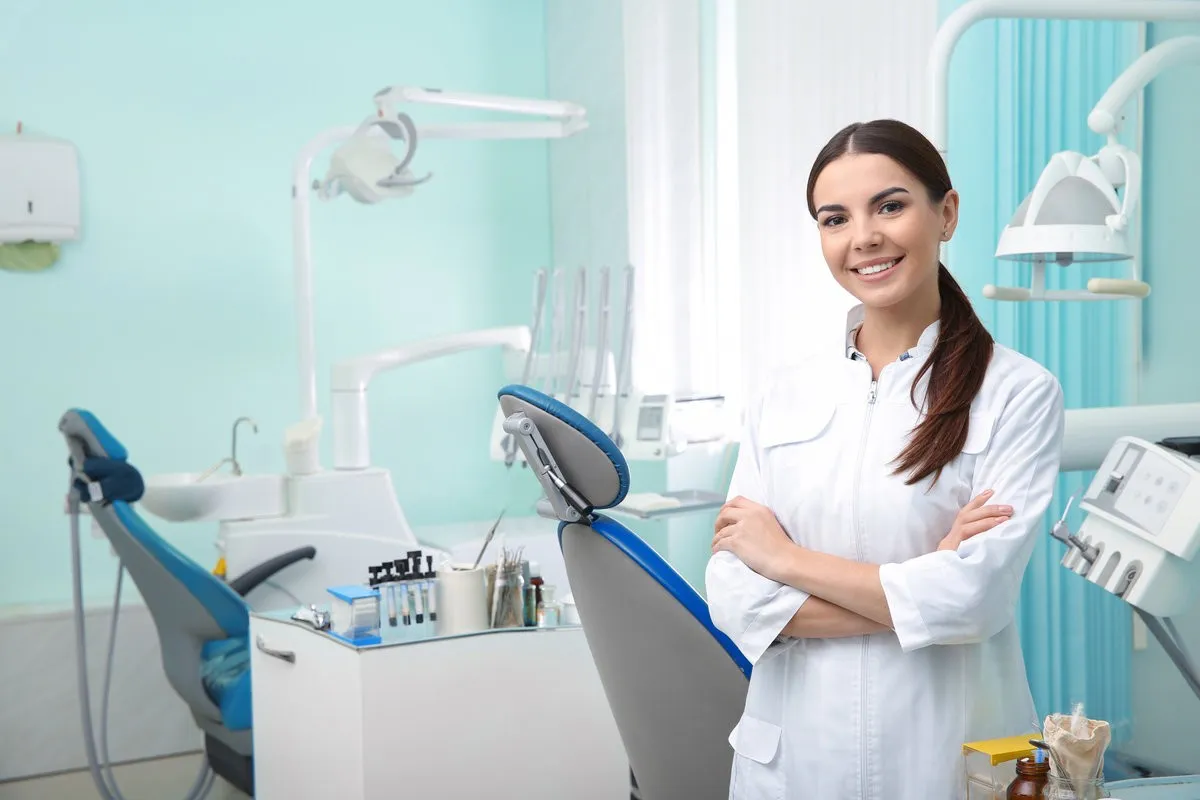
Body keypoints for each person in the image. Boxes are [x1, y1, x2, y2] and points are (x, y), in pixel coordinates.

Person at [705, 119, 1066, 800]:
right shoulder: (783, 395)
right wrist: (921, 585)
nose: (863, 237)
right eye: (834, 218)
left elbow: (976, 599)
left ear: (946, 213)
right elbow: (732, 596)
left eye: (890, 206)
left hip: (942, 758)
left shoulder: (1016, 392)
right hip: (796, 761)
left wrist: (785, 562)